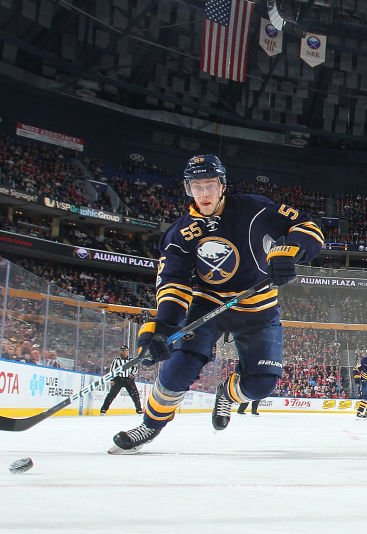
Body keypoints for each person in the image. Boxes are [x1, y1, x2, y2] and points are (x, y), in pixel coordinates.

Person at [110, 154, 323, 453]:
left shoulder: (254, 208)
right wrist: (162, 328)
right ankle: (150, 425)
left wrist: (291, 251)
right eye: (196, 187)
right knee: (177, 368)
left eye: (209, 185)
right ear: (188, 189)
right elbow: (174, 283)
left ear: (222, 185)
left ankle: (227, 393)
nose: (204, 194)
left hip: (258, 307)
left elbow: (306, 226)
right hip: (207, 304)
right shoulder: (179, 234)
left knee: (261, 384)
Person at [99, 344, 143, 415]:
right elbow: (112, 370)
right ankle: (103, 409)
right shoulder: (116, 360)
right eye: (122, 350)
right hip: (118, 379)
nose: (124, 352)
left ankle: (139, 410)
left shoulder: (131, 360)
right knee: (111, 395)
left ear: (128, 352)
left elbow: (135, 368)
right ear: (120, 351)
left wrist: (132, 374)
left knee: (135, 394)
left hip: (128, 379)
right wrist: (112, 379)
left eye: (125, 350)